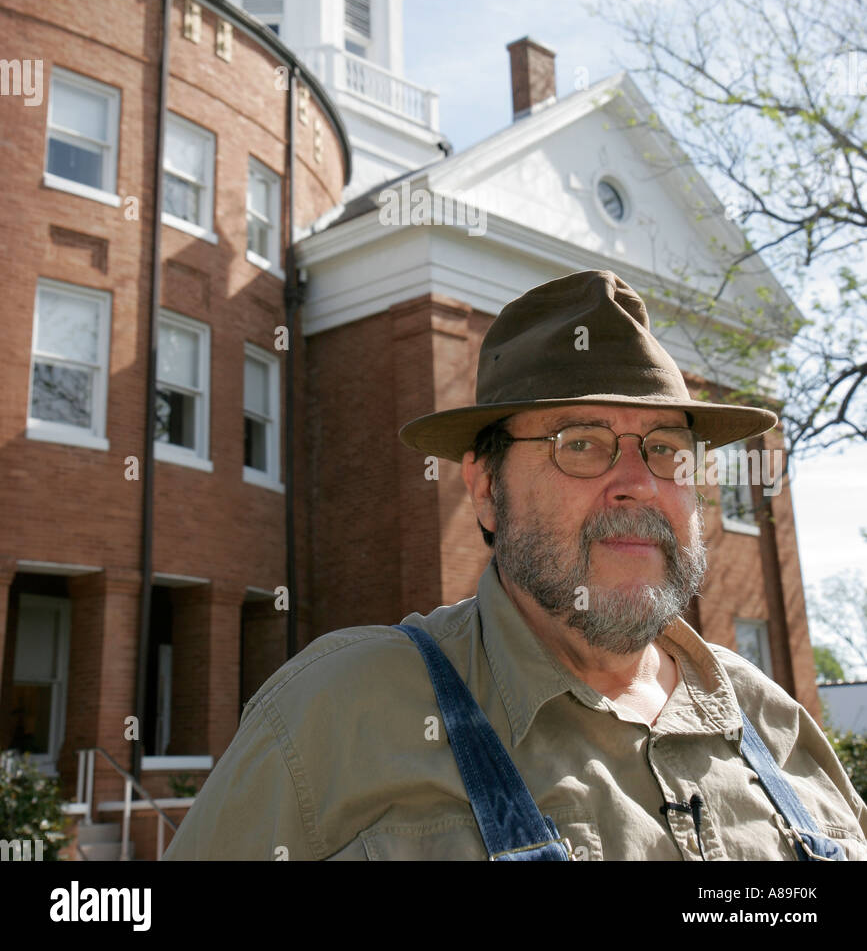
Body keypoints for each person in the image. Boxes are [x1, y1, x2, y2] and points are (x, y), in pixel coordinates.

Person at [163, 269, 867, 860]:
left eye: (664, 447)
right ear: (485, 489)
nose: (639, 481)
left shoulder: (772, 721)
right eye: (582, 443)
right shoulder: (337, 714)